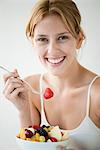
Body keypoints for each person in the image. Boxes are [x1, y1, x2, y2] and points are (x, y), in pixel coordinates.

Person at [3, 0, 100, 150]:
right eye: (42, 39)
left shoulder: (97, 94)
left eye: (62, 38)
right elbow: (31, 146)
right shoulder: (31, 88)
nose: (52, 50)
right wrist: (23, 109)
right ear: (33, 42)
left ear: (79, 39)